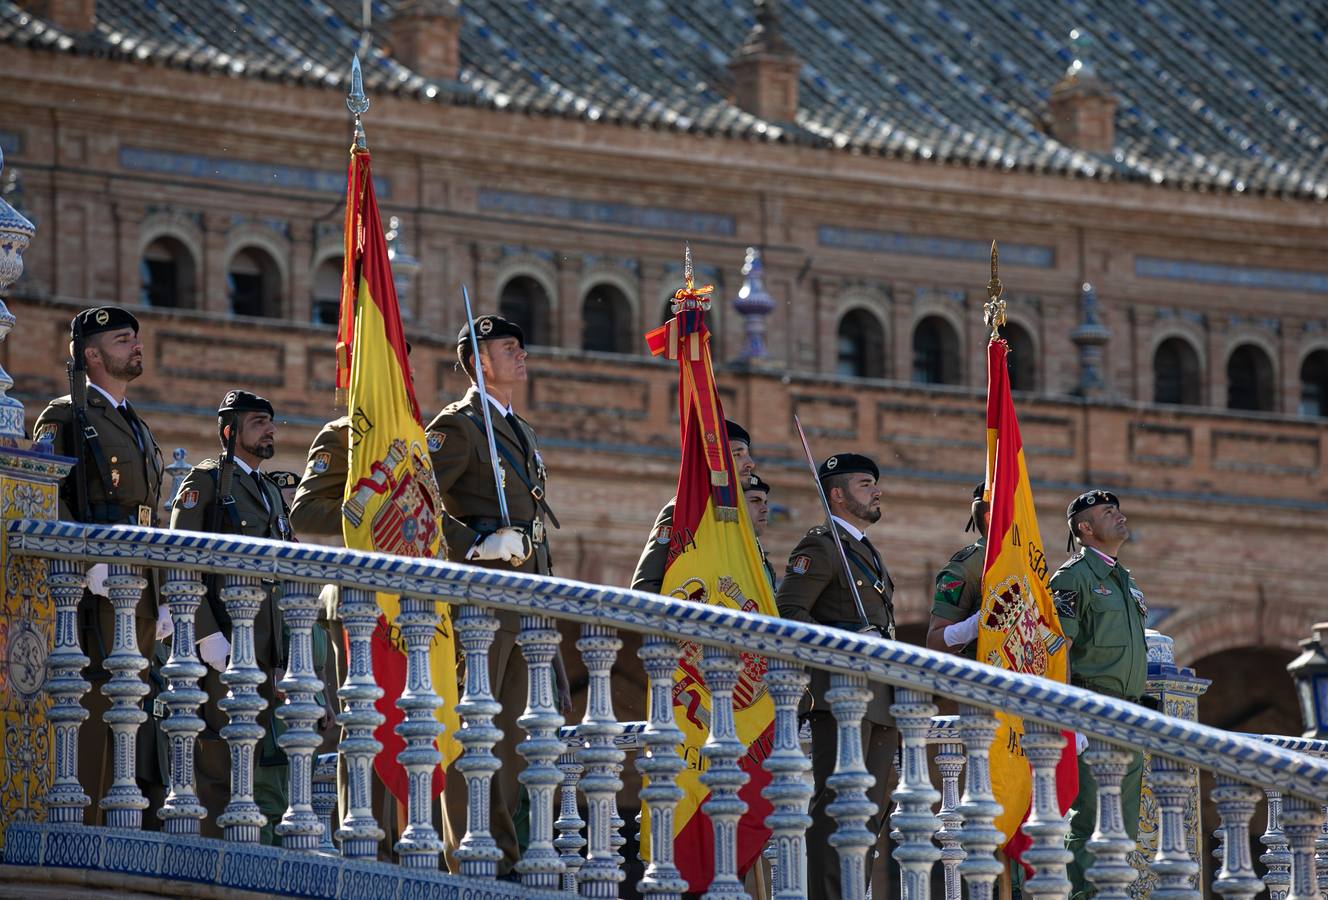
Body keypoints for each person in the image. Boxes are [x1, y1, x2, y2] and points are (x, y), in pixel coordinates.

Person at [426, 313, 569, 878]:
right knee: (473, 730)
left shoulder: (521, 430)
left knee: (510, 736)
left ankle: (501, 855)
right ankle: (467, 852)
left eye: (520, 345)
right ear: (478, 361)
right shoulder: (458, 425)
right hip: (478, 600)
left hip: (524, 599)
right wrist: (474, 544)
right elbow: (414, 499)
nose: (521, 354)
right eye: (509, 347)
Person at [169, 390, 325, 842]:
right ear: (229, 432)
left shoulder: (270, 492)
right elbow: (180, 560)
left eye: (271, 423)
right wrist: (205, 633)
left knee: (257, 755)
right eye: (259, 423)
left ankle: (249, 848)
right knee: (221, 754)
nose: (270, 431)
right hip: (224, 641)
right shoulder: (207, 482)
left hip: (266, 644)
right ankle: (216, 854)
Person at [32, 305, 165, 825]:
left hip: (139, 589)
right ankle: (80, 826)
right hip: (94, 593)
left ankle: (122, 825)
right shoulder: (67, 415)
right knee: (90, 702)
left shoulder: (134, 423)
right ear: (91, 354)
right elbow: (49, 496)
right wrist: (87, 562)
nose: (135, 346)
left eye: (135, 338)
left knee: (132, 711)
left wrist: (161, 588)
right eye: (122, 339)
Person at [775, 453, 896, 900]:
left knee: (869, 809)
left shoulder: (864, 549)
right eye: (866, 484)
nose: (877, 490)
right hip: (840, 693)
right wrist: (847, 635)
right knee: (838, 806)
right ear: (838, 494)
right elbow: (788, 614)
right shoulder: (821, 546)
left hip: (879, 694)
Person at [1050, 490, 1149, 900]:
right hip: (1092, 712)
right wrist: (1070, 718)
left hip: (1129, 717)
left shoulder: (1123, 579)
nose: (1119, 516)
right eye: (1108, 512)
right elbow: (1057, 651)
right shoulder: (1073, 577)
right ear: (1085, 529)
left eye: (1119, 509)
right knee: (1090, 825)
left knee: (1120, 833)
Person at [631, 419, 756, 594]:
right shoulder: (681, 510)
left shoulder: (741, 519)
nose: (750, 463)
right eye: (738, 454)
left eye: (747, 454)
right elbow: (645, 586)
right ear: (717, 462)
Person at [925, 483, 989, 657]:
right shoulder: (966, 567)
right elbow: (935, 641)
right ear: (990, 518)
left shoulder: (1028, 561)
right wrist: (978, 624)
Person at [743, 472, 777, 590]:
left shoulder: (760, 556)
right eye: (755, 501)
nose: (765, 509)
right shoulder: (726, 551)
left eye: (765, 502)